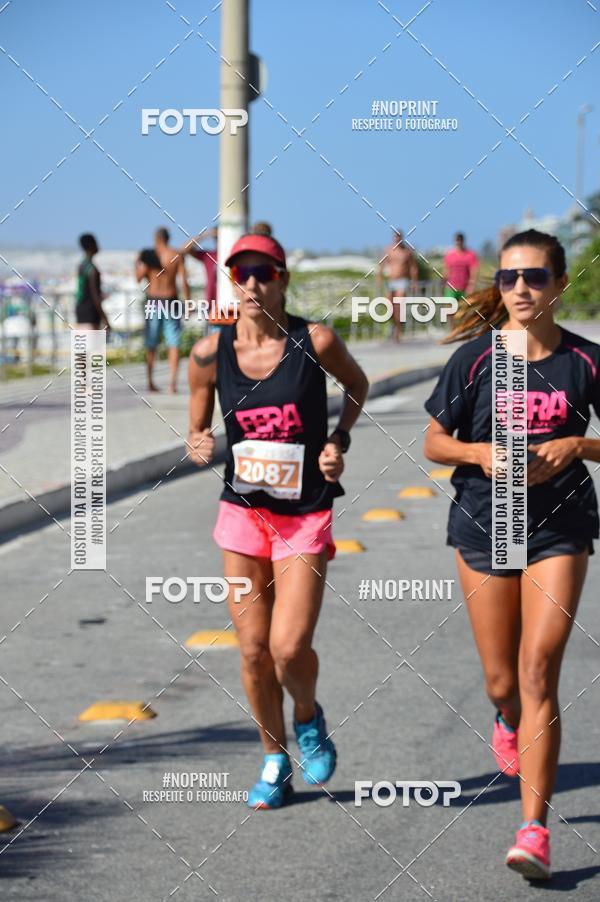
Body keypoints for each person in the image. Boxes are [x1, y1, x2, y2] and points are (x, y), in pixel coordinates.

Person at [423, 229, 600, 879]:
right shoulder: (476, 361)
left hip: (561, 527)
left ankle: (534, 830)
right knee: (504, 683)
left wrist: (579, 446)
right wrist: (478, 454)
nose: (520, 289)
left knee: (538, 670)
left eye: (534, 277)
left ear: (560, 284)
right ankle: (504, 716)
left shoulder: (585, 362)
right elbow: (435, 441)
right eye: (508, 278)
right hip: (485, 522)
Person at [187, 233, 369, 809]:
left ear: (283, 279)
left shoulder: (314, 340)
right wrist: (197, 437)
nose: (252, 283)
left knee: (288, 649)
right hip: (242, 514)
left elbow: (357, 385)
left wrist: (339, 438)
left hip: (304, 512)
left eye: (264, 272)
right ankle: (273, 757)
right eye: (241, 273)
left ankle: (308, 717)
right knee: (251, 651)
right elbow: (197, 419)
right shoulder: (207, 353)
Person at [136, 227, 189, 393]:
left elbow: (138, 278)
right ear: (168, 238)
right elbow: (184, 282)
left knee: (151, 343)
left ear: (156, 239)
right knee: (174, 343)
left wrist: (137, 262)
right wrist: (188, 303)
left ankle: (150, 382)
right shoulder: (176, 255)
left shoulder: (150, 255)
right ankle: (172, 384)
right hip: (171, 300)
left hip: (154, 301)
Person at [181, 228, 238, 333]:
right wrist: (206, 234)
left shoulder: (233, 256)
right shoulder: (209, 256)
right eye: (216, 239)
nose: (218, 241)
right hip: (212, 308)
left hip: (230, 307)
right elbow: (184, 249)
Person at [378, 228, 418, 342]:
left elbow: (413, 267)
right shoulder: (389, 250)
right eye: (395, 237)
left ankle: (398, 331)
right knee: (388, 305)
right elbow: (382, 264)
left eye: (399, 237)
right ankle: (395, 325)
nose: (397, 239)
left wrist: (414, 282)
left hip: (402, 281)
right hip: (391, 282)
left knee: (398, 306)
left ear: (402, 237)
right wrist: (379, 277)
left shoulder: (407, 251)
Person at [75, 234, 109, 330]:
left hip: (80, 310)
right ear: (91, 245)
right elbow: (95, 296)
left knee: (82, 343)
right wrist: (105, 318)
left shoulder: (81, 265)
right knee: (92, 344)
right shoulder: (92, 269)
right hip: (90, 313)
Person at [443, 232, 479, 301]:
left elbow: (474, 272)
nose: (458, 242)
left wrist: (471, 286)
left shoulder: (470, 255)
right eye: (457, 240)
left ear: (463, 241)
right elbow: (446, 271)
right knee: (450, 310)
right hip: (450, 288)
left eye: (460, 240)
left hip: (464, 289)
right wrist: (444, 283)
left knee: (463, 310)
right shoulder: (449, 255)